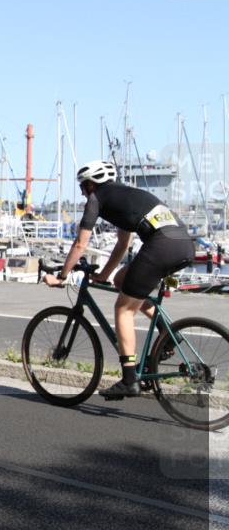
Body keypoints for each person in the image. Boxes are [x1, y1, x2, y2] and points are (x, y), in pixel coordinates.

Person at [43, 160, 194, 399]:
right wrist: (104, 275)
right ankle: (169, 333)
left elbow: (81, 243)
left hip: (161, 246)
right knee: (122, 280)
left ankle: (129, 379)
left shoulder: (97, 199)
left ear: (92, 184)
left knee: (123, 309)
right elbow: (123, 244)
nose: (82, 192)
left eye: (83, 186)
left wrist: (62, 276)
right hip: (183, 245)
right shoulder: (125, 197)